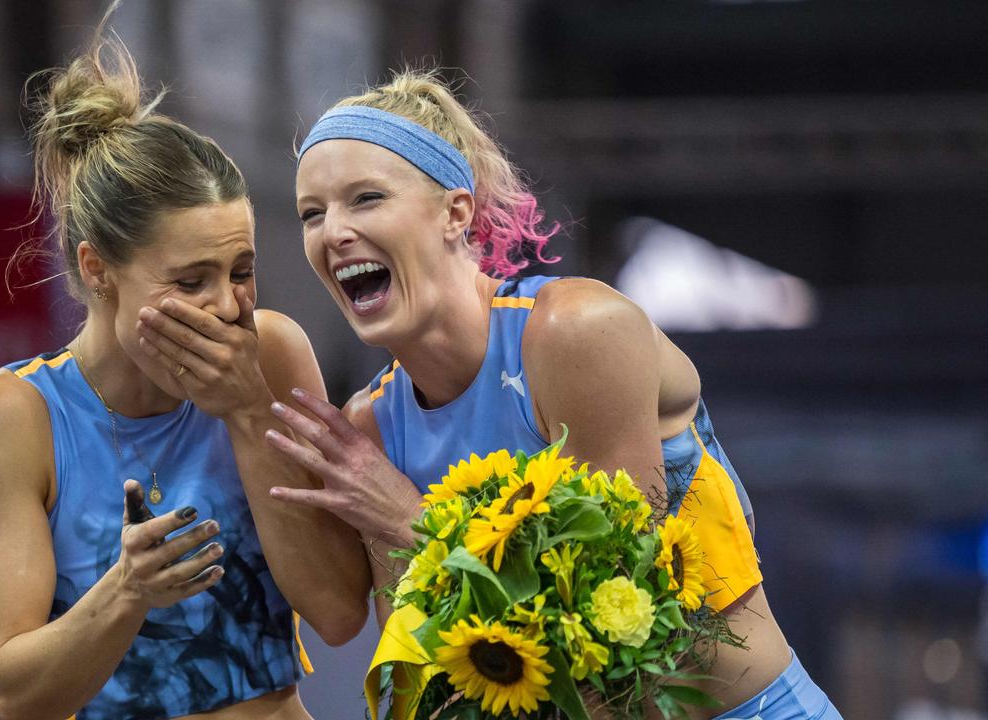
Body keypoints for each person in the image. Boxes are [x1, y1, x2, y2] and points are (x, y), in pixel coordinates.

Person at [264, 70, 840, 718]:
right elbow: (430, 676)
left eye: (365, 199)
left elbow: (623, 628)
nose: (332, 232)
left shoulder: (574, 333)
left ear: (455, 212)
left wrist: (408, 520)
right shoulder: (371, 431)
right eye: (312, 212)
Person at [0, 13, 369, 720]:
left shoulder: (272, 352)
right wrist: (128, 588)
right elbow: (16, 695)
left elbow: (339, 612)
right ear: (96, 270)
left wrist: (250, 412)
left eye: (242, 271)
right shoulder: (5, 419)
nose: (228, 306)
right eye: (191, 281)